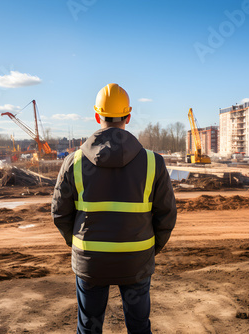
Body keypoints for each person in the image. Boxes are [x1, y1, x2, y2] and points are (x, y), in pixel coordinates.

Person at [51, 83, 177, 333]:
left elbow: (60, 214)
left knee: (89, 326)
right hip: (136, 260)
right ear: (128, 117)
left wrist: (77, 243)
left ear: (97, 116)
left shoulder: (74, 162)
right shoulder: (153, 162)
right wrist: (151, 249)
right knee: (139, 326)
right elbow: (166, 216)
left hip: (91, 261)